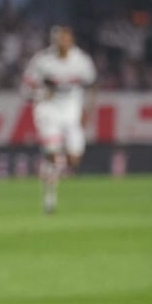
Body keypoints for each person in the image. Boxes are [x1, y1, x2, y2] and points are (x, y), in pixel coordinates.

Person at [21, 25, 96, 214]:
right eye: (60, 38)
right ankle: (49, 197)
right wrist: (39, 94)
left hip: (72, 110)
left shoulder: (81, 61)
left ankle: (51, 168)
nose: (63, 42)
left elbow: (91, 85)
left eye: (66, 38)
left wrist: (87, 111)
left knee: (73, 160)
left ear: (71, 40)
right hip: (49, 110)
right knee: (53, 154)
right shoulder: (42, 61)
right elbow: (26, 87)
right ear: (54, 40)